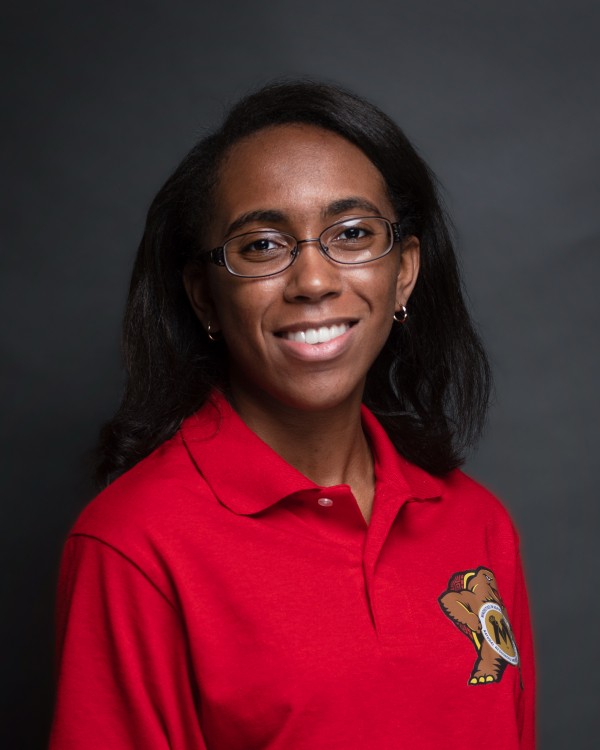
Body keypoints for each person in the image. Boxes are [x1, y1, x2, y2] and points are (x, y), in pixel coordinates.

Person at [49, 81, 535, 749]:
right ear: (204, 297)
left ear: (404, 272)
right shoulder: (134, 545)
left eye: (355, 234)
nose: (313, 281)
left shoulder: (477, 524)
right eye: (262, 246)